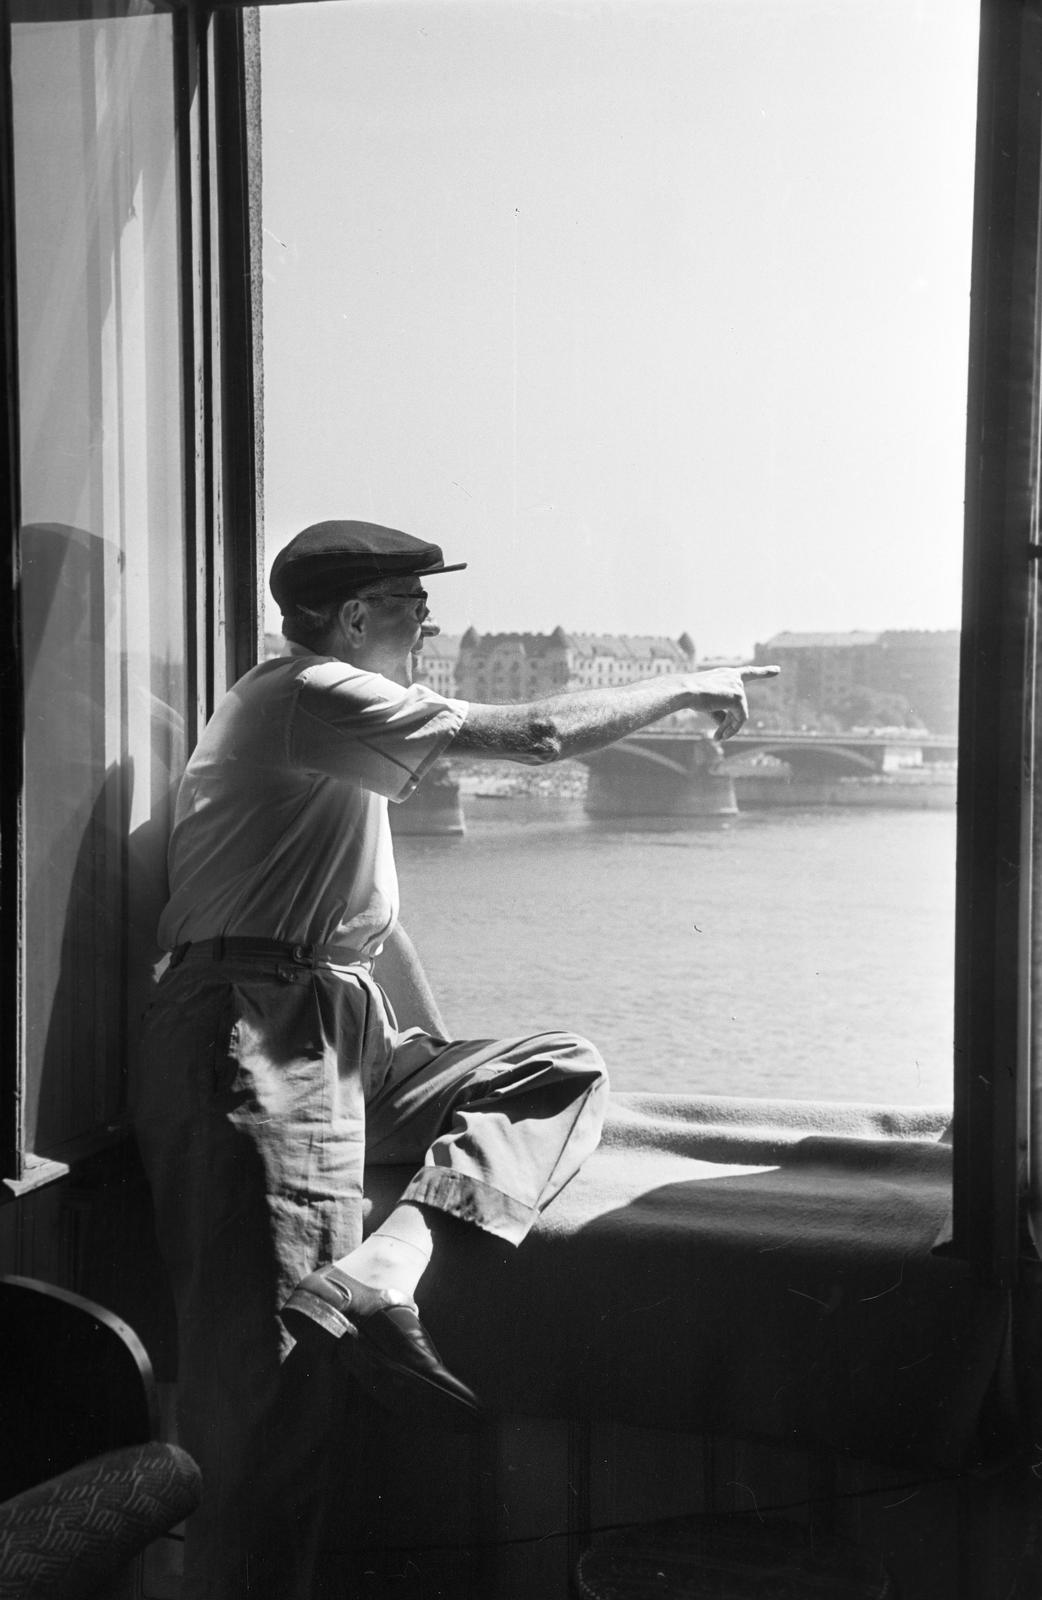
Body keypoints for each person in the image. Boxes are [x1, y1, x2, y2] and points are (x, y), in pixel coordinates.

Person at [134, 519, 778, 1599]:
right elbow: (535, 735)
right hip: (257, 1029)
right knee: (270, 1411)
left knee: (557, 1066)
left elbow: (371, 932)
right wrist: (686, 684)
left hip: (331, 1025)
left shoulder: (341, 739)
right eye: (412, 606)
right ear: (353, 619)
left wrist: (428, 1062)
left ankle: (388, 1265)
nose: (429, 626)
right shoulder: (310, 693)